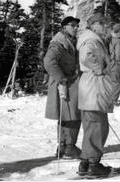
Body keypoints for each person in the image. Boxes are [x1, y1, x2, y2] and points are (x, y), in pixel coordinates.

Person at [76, 12, 120, 177]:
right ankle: (93, 165)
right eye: (102, 24)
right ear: (94, 24)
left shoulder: (91, 38)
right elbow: (86, 56)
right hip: (93, 88)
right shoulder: (91, 39)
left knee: (92, 126)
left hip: (91, 88)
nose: (105, 27)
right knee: (98, 127)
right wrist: (100, 68)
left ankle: (86, 162)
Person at [43, 16, 82, 159]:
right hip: (64, 83)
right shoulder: (58, 43)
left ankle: (64, 146)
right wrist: (62, 80)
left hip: (69, 82)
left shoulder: (69, 41)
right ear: (64, 27)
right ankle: (68, 147)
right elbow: (48, 62)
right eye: (72, 25)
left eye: (77, 25)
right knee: (72, 116)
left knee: (67, 115)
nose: (76, 27)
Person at [108, 22, 120, 105]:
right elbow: (119, 54)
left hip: (111, 64)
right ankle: (113, 101)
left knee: (113, 82)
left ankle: (111, 99)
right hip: (116, 64)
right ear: (119, 31)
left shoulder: (111, 39)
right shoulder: (118, 41)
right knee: (118, 83)